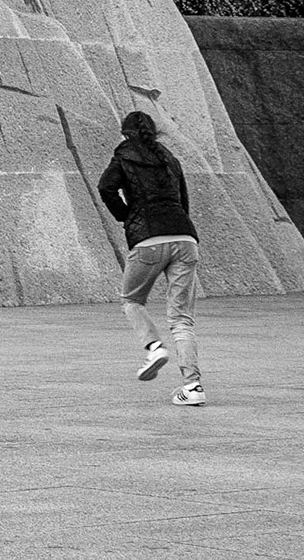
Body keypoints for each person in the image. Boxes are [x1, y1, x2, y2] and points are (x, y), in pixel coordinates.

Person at [98, 110, 205, 406]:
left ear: (125, 133)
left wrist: (126, 216)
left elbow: (105, 187)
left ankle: (155, 347)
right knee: (182, 319)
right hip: (185, 238)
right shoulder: (171, 159)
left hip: (148, 241)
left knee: (132, 300)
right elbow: (183, 203)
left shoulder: (123, 156)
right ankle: (193, 386)